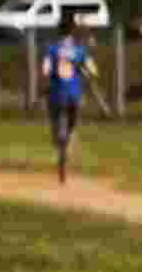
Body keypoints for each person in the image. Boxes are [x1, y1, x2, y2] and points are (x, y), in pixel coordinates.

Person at [39, 10, 107, 183]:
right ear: (72, 32)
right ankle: (68, 138)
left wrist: (47, 81)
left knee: (55, 117)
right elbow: (93, 71)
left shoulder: (52, 50)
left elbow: (45, 71)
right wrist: (86, 71)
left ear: (58, 32)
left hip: (57, 94)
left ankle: (60, 139)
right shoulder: (80, 51)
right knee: (72, 121)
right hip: (74, 95)